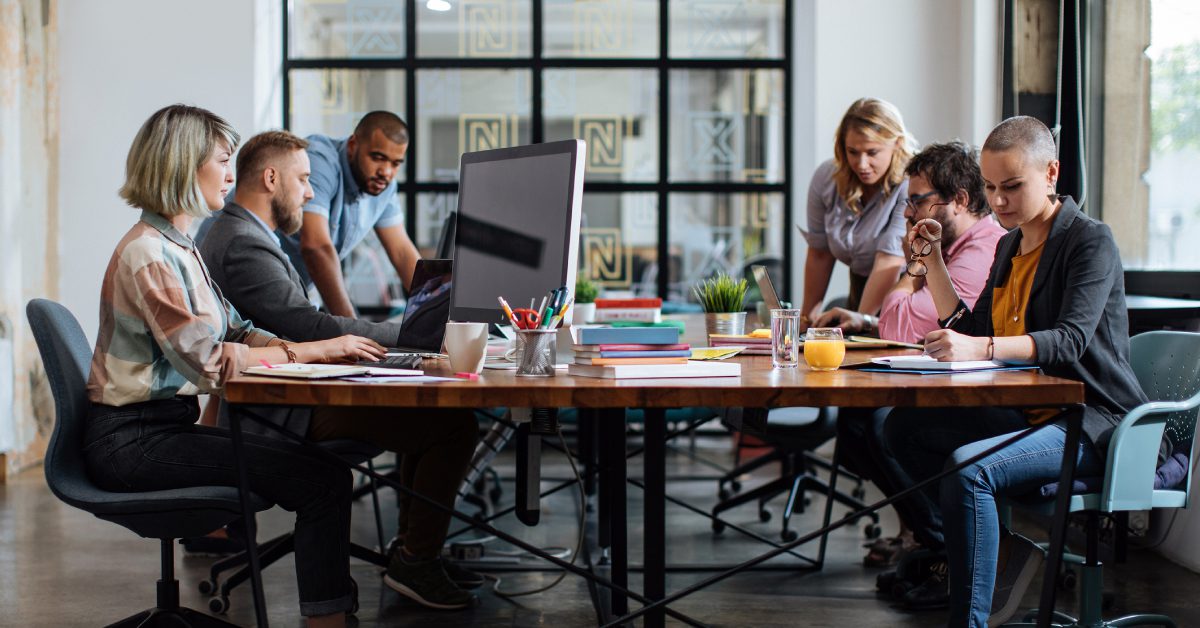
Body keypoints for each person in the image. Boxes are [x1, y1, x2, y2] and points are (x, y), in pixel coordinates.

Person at [84, 104, 390, 627]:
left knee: (323, 475)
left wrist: (306, 348)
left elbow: (234, 330)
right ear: (183, 165)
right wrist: (313, 350)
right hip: (131, 442)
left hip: (158, 430)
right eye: (223, 160)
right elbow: (209, 364)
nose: (232, 174)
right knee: (323, 482)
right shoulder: (149, 255)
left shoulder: (181, 247)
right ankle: (328, 623)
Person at [197, 130, 482, 609]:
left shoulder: (247, 235)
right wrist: (411, 337)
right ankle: (416, 559)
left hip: (285, 397)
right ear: (271, 178)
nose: (310, 193)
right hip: (275, 415)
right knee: (450, 424)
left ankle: (414, 554)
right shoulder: (243, 244)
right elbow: (309, 327)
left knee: (429, 414)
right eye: (303, 180)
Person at [882, 116, 1147, 627]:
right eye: (989, 187)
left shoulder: (1089, 242)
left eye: (1012, 186)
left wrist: (977, 347)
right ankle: (1004, 549)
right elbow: (972, 326)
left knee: (970, 469)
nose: (998, 201)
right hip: (1028, 413)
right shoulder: (1009, 244)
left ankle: (972, 618)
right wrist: (932, 260)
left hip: (1090, 417)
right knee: (902, 429)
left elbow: (1068, 342)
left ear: (1051, 173)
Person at [815, 141, 1008, 570]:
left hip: (991, 395)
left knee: (882, 423)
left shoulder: (982, 250)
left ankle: (939, 542)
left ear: (958, 201)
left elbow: (903, 323)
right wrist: (867, 320)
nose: (907, 213)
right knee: (859, 420)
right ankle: (925, 534)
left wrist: (912, 271)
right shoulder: (957, 249)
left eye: (917, 201)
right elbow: (904, 322)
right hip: (955, 381)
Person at [285, 111, 420, 317]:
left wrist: (444, 318)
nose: (386, 172)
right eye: (377, 157)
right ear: (352, 146)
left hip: (297, 286)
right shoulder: (319, 161)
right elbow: (315, 247)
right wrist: (353, 331)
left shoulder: (383, 185)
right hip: (246, 270)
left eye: (395, 163)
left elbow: (402, 252)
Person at [801, 98, 915, 326]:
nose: (862, 164)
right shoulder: (826, 178)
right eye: (852, 152)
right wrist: (805, 321)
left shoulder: (911, 183)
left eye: (872, 152)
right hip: (861, 287)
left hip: (904, 293)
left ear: (898, 143)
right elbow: (820, 254)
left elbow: (888, 261)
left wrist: (859, 324)